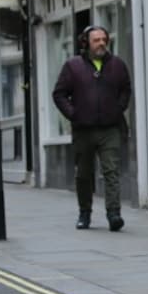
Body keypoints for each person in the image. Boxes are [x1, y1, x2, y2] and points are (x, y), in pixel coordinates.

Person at [53, 25, 132, 231]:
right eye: (96, 40)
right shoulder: (73, 66)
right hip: (83, 130)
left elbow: (126, 90)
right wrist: (74, 114)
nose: (101, 43)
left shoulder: (117, 65)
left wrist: (118, 109)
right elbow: (59, 94)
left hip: (110, 128)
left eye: (104, 39)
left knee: (111, 171)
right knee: (84, 175)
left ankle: (114, 214)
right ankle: (84, 213)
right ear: (86, 43)